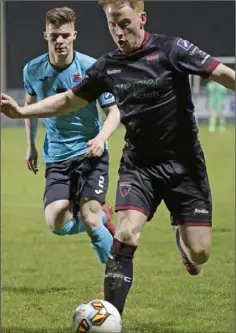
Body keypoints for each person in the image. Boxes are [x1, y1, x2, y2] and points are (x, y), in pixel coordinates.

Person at [1, 0, 235, 316]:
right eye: (112, 24)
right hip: (139, 165)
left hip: (184, 165)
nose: (118, 32)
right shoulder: (106, 66)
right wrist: (22, 112)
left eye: (124, 23)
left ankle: (182, 239)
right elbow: (69, 100)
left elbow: (219, 72)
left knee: (200, 253)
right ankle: (111, 314)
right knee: (125, 234)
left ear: (142, 18)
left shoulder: (172, 49)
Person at [22, 7, 118, 265]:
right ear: (46, 35)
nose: (60, 41)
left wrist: (101, 139)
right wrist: (30, 145)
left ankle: (115, 277)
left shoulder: (92, 68)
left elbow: (113, 112)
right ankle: (103, 216)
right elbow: (29, 108)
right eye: (54, 36)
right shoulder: (32, 70)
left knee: (89, 217)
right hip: (56, 156)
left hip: (90, 152)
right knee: (56, 222)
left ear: (74, 34)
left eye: (65, 35)